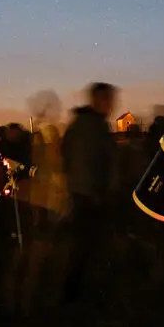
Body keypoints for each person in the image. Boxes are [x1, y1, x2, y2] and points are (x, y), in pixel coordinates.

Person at [61, 82, 119, 304]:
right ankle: (74, 296)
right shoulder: (91, 127)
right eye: (108, 100)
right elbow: (90, 162)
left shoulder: (84, 125)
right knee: (85, 247)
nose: (111, 105)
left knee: (85, 247)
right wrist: (98, 193)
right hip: (91, 196)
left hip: (85, 194)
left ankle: (77, 293)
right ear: (98, 100)